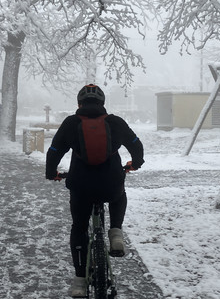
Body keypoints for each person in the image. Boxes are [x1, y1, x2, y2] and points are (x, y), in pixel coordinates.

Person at [45, 84, 145, 297]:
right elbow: (136, 145)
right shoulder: (115, 122)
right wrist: (135, 163)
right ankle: (115, 231)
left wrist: (51, 172)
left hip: (81, 185)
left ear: (79, 103)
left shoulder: (71, 123)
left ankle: (80, 281)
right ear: (102, 103)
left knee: (79, 228)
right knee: (119, 194)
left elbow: (54, 150)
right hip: (110, 183)